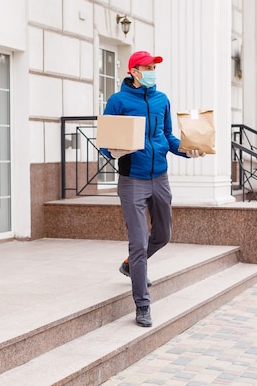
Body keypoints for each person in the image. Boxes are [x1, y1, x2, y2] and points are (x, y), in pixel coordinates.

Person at [101, 50, 203, 327]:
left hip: (160, 177)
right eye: (146, 67)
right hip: (132, 179)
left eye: (153, 67)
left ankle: (130, 265)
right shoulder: (118, 101)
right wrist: (113, 151)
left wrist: (186, 151)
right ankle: (142, 305)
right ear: (133, 71)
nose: (151, 71)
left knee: (163, 235)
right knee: (138, 241)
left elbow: (167, 135)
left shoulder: (161, 100)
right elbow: (105, 140)